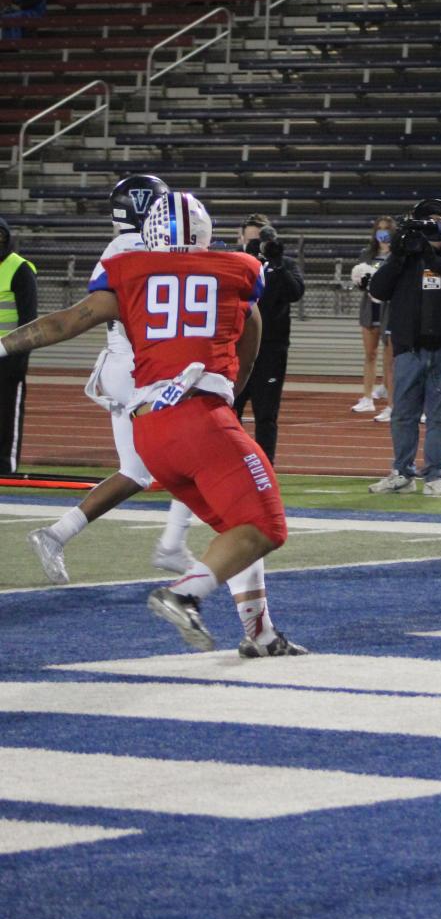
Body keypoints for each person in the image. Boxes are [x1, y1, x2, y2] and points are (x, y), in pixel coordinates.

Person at [1, 192, 304, 657]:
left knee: (238, 532)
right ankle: (183, 595)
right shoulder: (238, 269)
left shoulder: (130, 270)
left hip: (151, 432)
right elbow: (246, 360)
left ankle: (261, 635)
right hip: (199, 419)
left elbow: (64, 323)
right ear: (206, 232)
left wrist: (2, 347)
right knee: (268, 526)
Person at [25, 176, 199, 586]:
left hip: (120, 369)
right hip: (143, 369)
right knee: (194, 453)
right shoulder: (146, 251)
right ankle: (173, 545)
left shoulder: (118, 248)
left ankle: (55, 534)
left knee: (136, 472)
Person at [366, 198, 441, 497]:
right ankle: (402, 473)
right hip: (409, 348)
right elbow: (377, 290)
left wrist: (433, 257)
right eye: (426, 220)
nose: (432, 224)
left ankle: (435, 475)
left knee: (440, 417)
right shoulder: (405, 258)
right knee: (403, 414)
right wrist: (400, 256)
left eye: (437, 219)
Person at [232, 215, 303, 462]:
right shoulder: (230, 263)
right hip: (236, 348)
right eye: (250, 240)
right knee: (230, 410)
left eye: (259, 241)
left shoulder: (284, 265)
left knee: (266, 414)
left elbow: (295, 293)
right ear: (240, 238)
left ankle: (265, 466)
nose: (254, 245)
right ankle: (232, 462)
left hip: (272, 350)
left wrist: (276, 263)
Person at [0, 216, 37, 474]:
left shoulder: (19, 269)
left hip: (7, 359)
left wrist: (18, 361)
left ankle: (5, 469)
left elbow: (28, 320)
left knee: (5, 419)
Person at [350, 216, 396, 415]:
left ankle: (391, 404)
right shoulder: (367, 254)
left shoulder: (398, 255)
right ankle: (367, 397)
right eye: (379, 229)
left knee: (389, 358)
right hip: (370, 308)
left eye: (386, 229)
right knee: (370, 355)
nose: (382, 233)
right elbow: (359, 279)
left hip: (390, 309)